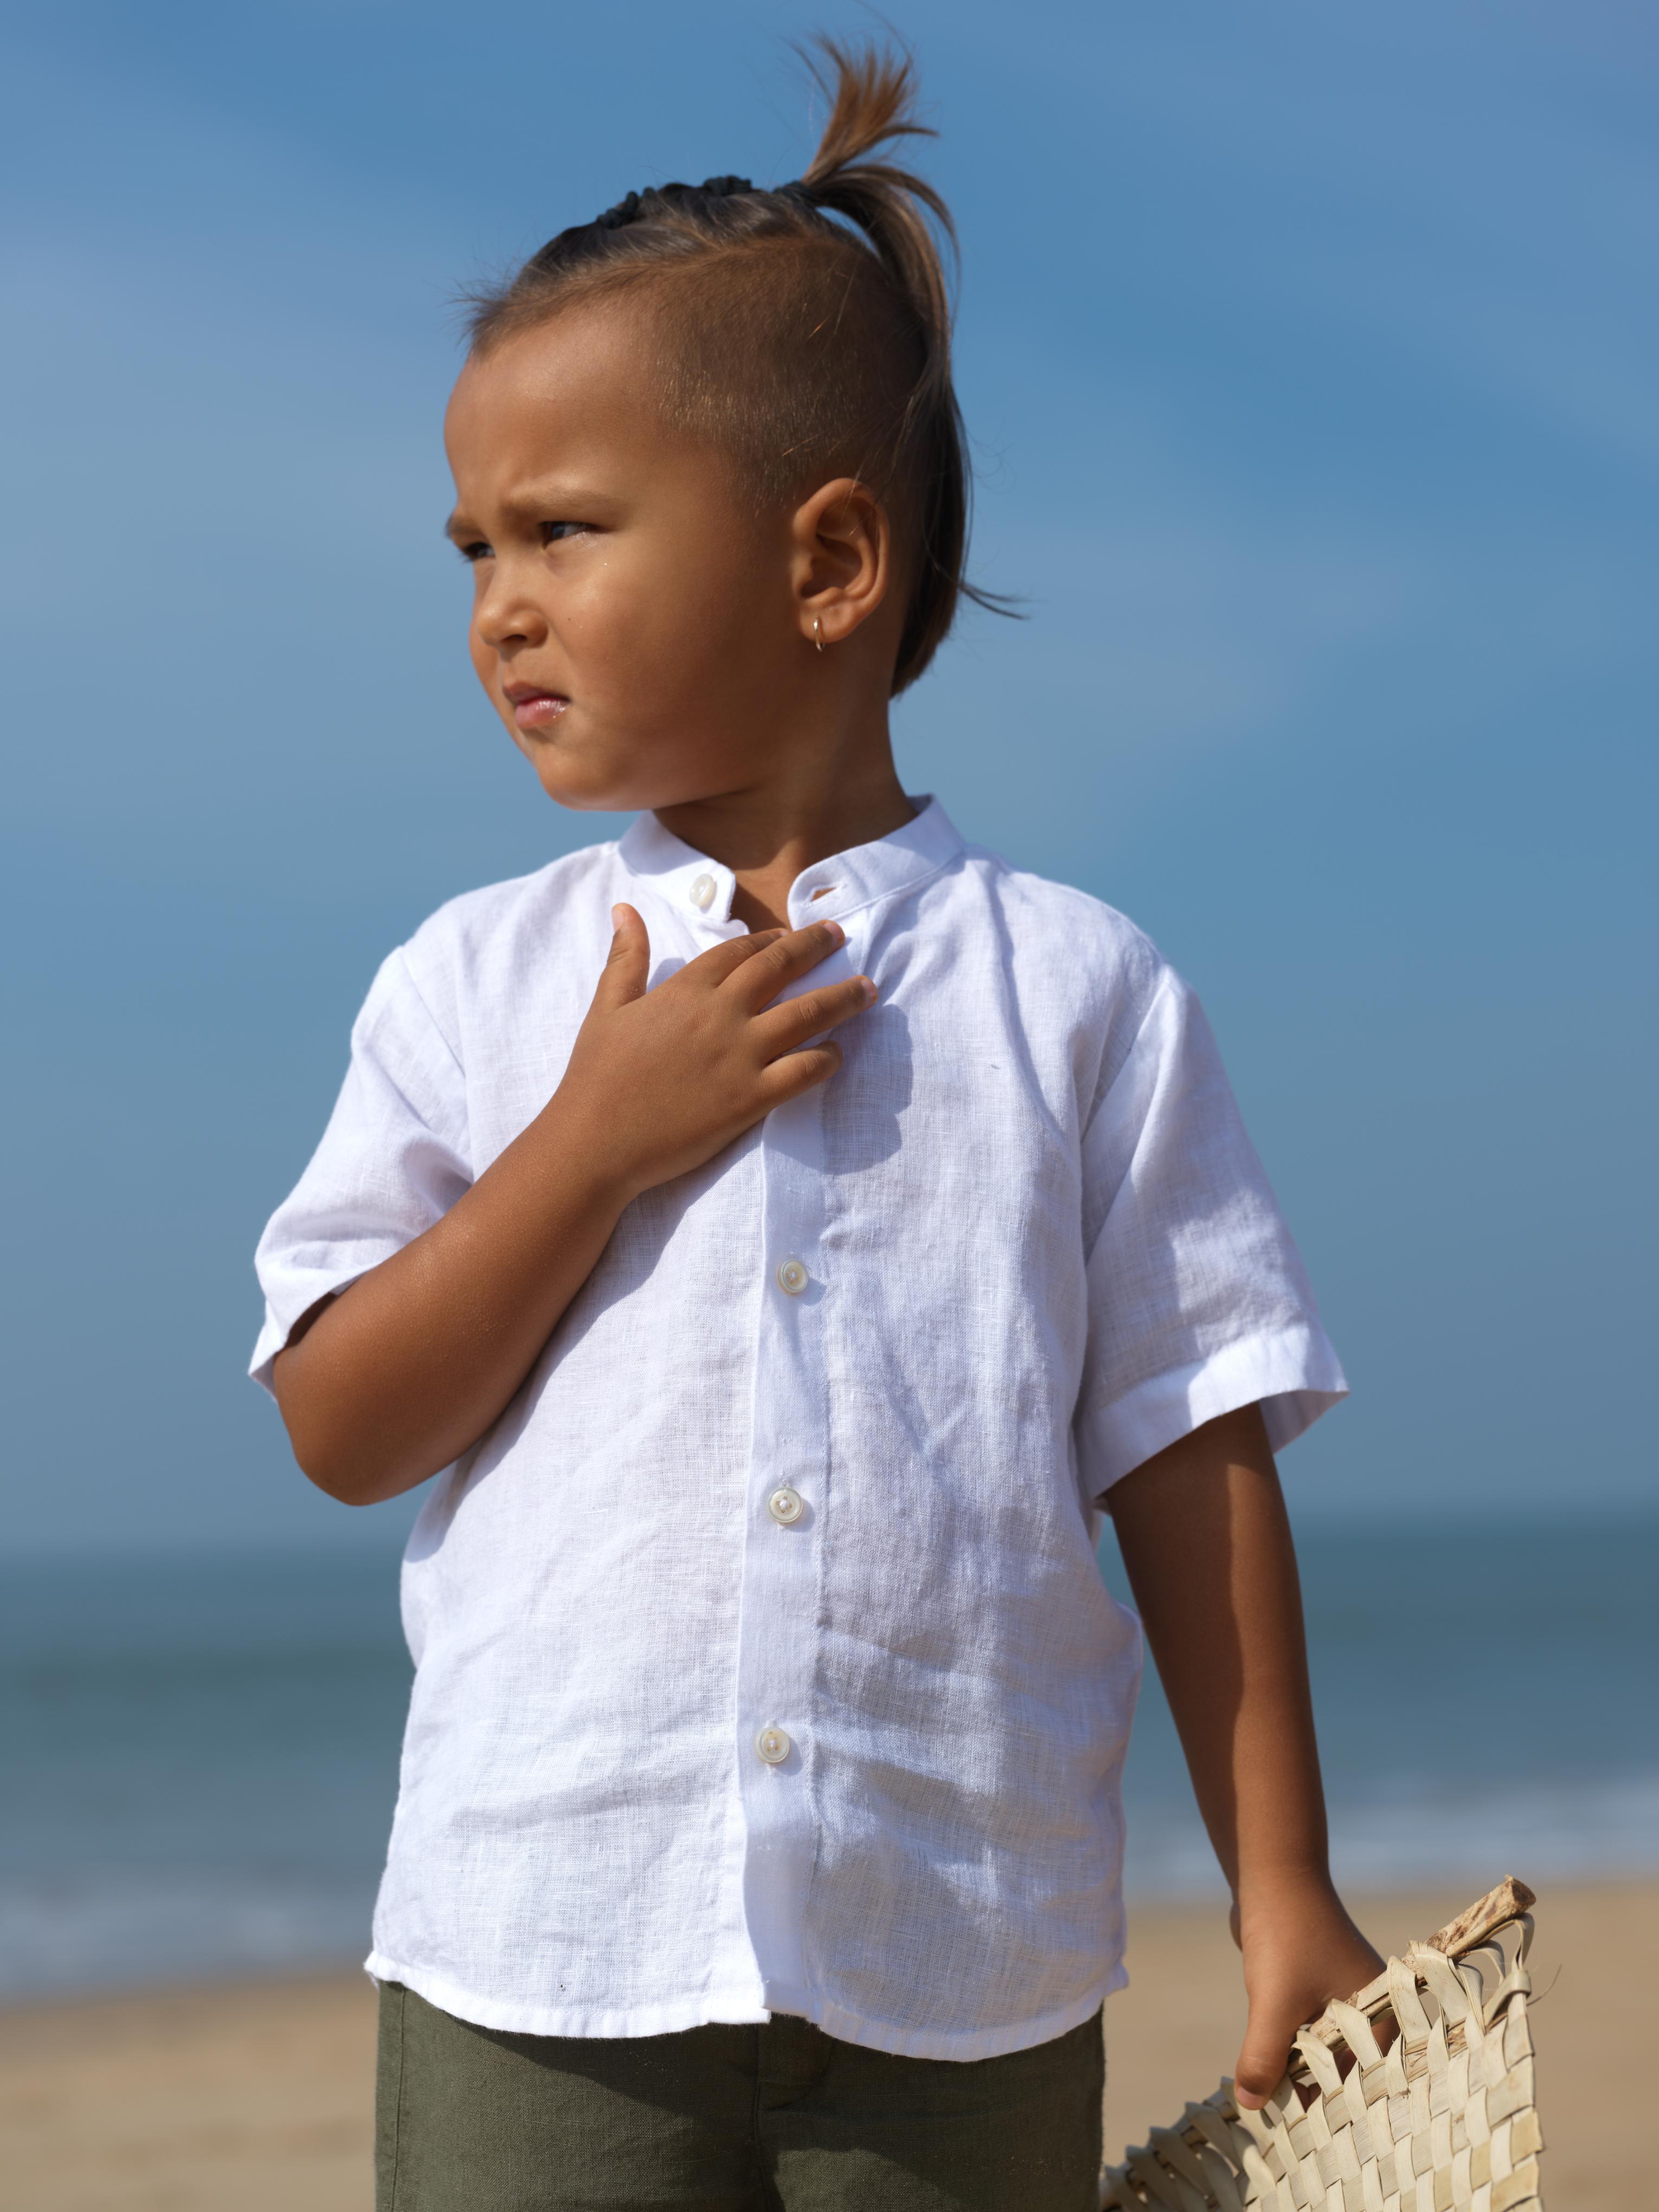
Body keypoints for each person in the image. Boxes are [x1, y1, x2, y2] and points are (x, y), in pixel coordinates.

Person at [250, 37, 1382, 2211]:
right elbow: (341, 1424)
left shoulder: (1080, 993)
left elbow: (1191, 1453)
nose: (500, 602)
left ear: (830, 560)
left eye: (566, 531)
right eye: (477, 543)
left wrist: (1287, 1890)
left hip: (955, 1972)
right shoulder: (473, 990)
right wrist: (589, 1145)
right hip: (535, 1960)